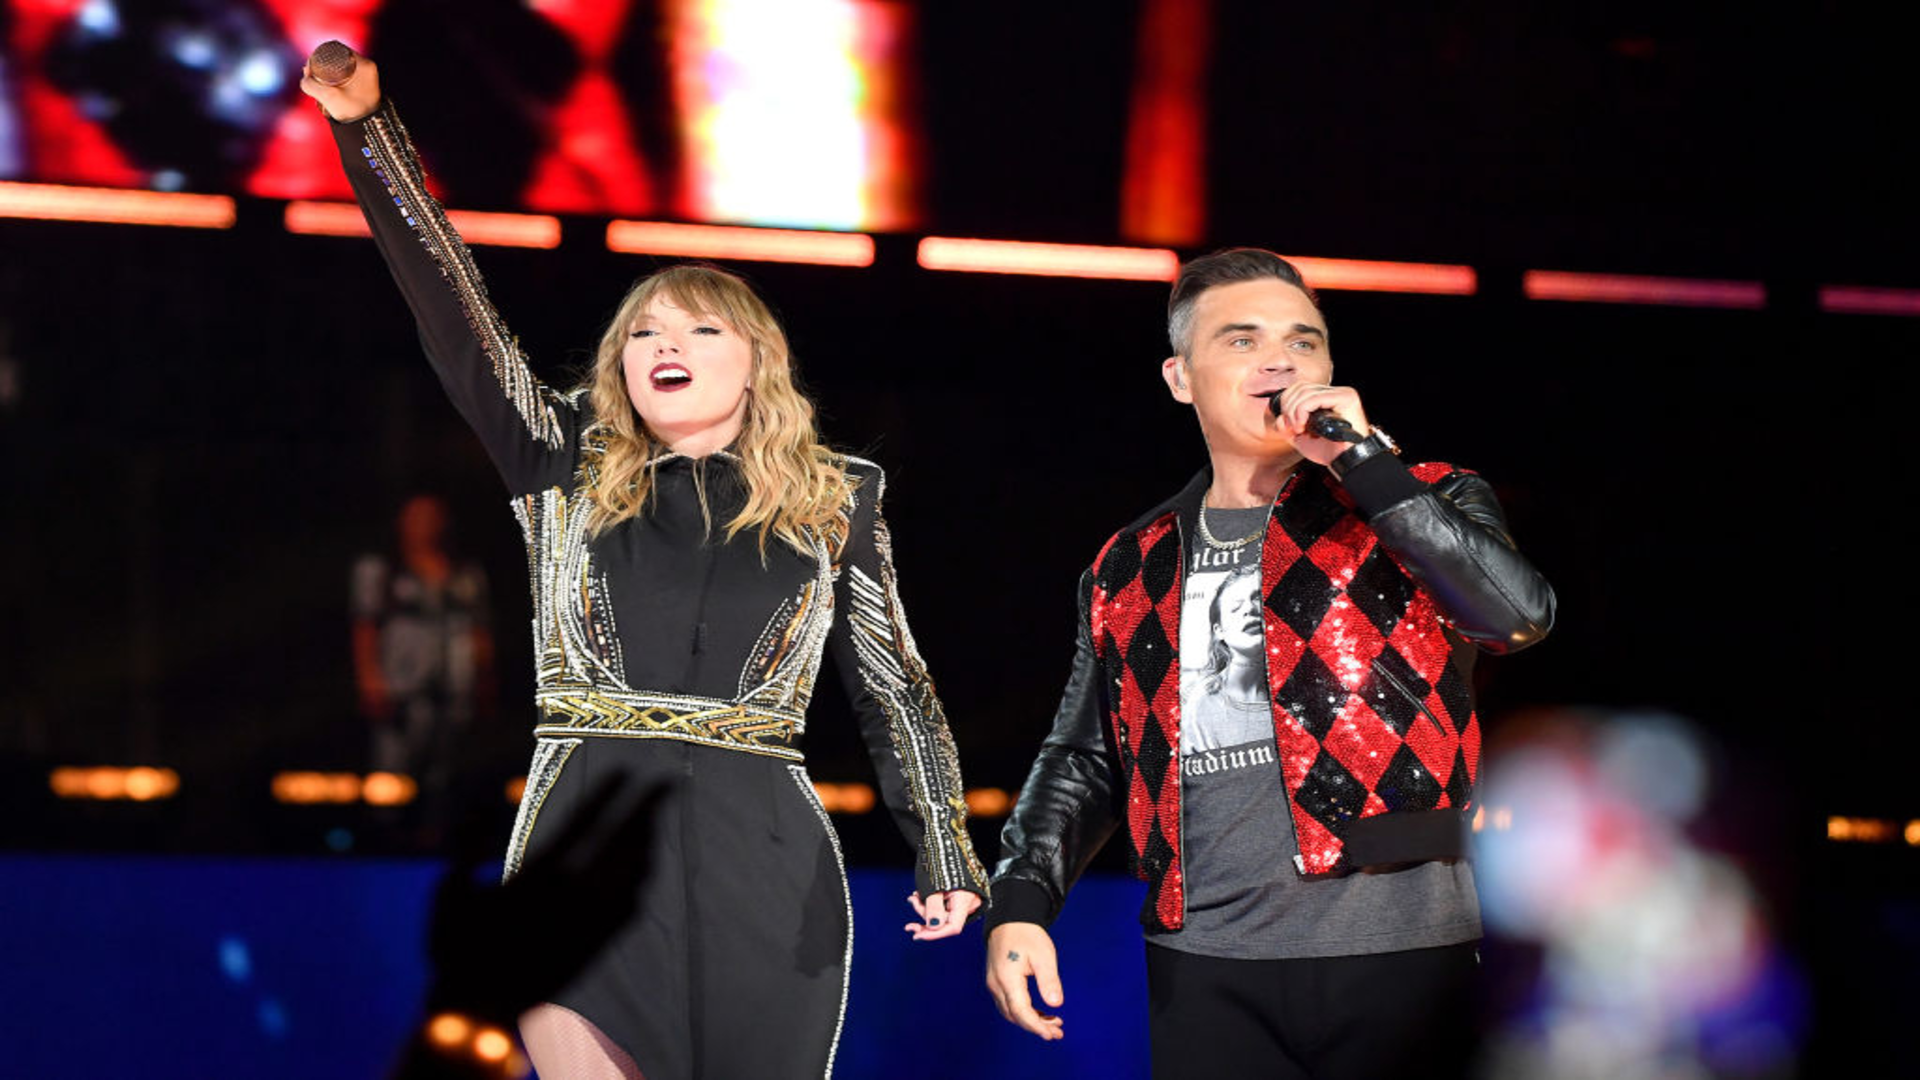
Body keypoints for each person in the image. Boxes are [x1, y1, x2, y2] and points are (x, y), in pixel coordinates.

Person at [303, 47, 987, 1080]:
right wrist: (368, 131)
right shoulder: (560, 457)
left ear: (757, 362)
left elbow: (896, 686)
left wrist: (943, 844)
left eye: (700, 328)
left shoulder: (838, 496)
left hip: (768, 859)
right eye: (642, 332)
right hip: (585, 845)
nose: (663, 343)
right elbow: (451, 305)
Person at [983, 248, 1555, 1079]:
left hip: (1400, 949)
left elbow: (1516, 617)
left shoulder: (1422, 497)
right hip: (1203, 960)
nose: (1281, 360)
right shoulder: (1130, 562)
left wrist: (1366, 465)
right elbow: (1086, 755)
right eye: (1242, 341)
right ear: (1181, 378)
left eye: (1304, 341)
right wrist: (1022, 904)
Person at [351, 493, 496, 830]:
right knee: (391, 768)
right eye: (416, 517)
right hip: (401, 685)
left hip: (453, 686)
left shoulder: (465, 574)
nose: (424, 526)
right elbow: (365, 627)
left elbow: (480, 631)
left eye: (432, 517)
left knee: (443, 770)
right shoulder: (382, 570)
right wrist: (370, 678)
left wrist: (485, 682)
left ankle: (436, 832)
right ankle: (385, 830)